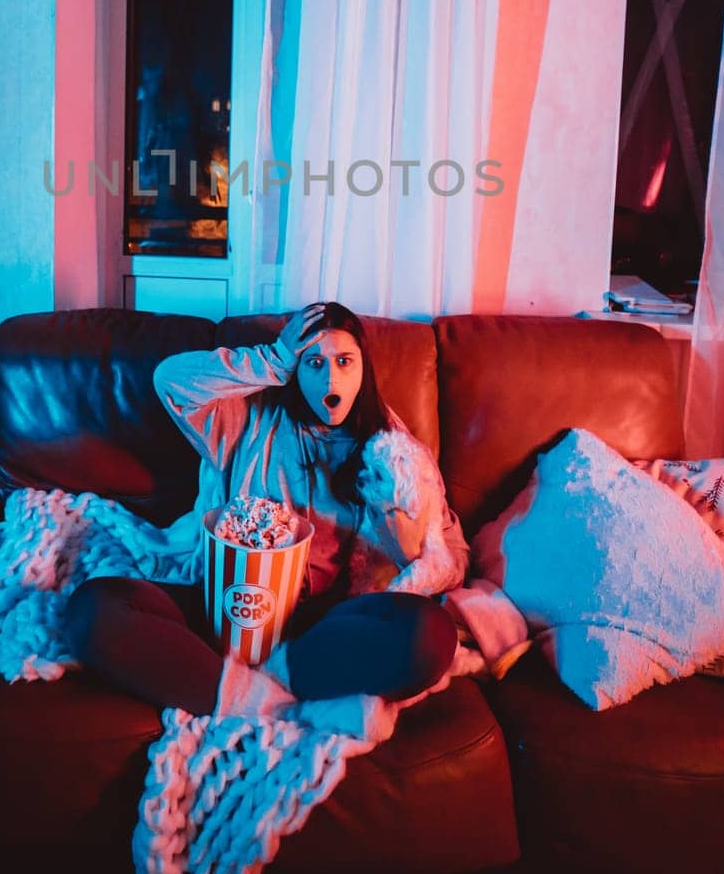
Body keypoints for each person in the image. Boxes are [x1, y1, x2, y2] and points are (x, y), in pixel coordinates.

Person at [62, 302, 467, 715]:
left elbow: (454, 556)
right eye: (313, 362)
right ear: (294, 369)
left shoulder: (394, 453)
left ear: (364, 369)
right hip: (228, 610)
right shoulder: (246, 420)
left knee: (430, 636)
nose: (331, 377)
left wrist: (406, 551)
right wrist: (272, 359)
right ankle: (251, 700)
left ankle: (279, 676)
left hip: (330, 624)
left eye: (345, 361)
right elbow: (171, 380)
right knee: (92, 609)